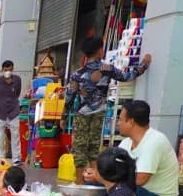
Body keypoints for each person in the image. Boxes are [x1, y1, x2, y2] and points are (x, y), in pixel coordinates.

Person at [64, 36, 151, 177]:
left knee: (79, 148)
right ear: (99, 51)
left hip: (81, 114)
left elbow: (69, 96)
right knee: (94, 147)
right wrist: (144, 65)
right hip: (99, 112)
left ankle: (79, 182)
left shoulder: (77, 74)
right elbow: (127, 77)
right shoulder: (108, 69)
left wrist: (64, 115)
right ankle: (94, 180)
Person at [116, 100, 179, 196]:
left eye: (120, 119)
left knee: (120, 188)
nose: (117, 123)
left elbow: (140, 179)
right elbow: (113, 169)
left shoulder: (155, 141)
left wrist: (104, 178)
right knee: (105, 186)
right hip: (139, 195)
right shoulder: (126, 143)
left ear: (131, 122)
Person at [0, 60, 23, 165]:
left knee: (15, 135)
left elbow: (17, 93)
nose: (8, 72)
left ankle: (16, 159)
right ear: (2, 70)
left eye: (10, 70)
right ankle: (0, 158)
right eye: (6, 70)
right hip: (0, 113)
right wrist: (2, 102)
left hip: (14, 112)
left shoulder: (17, 80)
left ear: (12, 69)